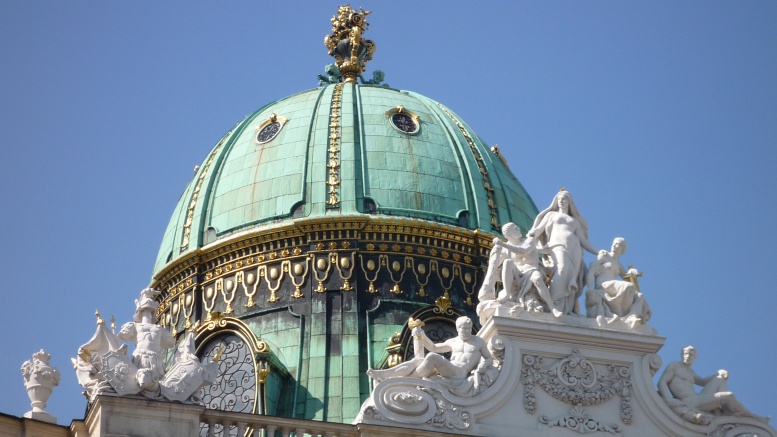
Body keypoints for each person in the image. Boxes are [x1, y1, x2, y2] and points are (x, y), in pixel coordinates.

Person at [527, 189, 598, 315]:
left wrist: (598, 252)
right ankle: (554, 303)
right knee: (562, 269)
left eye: (564, 199)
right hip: (557, 244)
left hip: (574, 248)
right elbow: (539, 229)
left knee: (572, 277)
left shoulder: (575, 221)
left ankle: (566, 307)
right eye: (559, 199)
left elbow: (582, 240)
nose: (561, 201)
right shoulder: (551, 215)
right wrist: (532, 235)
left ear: (569, 202)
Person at [657, 346, 769, 423]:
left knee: (720, 379)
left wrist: (719, 372)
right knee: (729, 396)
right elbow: (661, 382)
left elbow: (704, 382)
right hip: (689, 402)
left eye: (691, 354)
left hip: (698, 398)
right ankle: (752, 417)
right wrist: (668, 398)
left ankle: (725, 411)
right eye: (686, 353)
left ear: (694, 357)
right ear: (682, 355)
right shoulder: (675, 365)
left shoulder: (691, 372)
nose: (688, 356)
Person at [367, 316, 492, 382]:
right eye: (462, 328)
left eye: (468, 328)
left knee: (431, 357)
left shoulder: (478, 341)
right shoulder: (454, 341)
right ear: (457, 329)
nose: (465, 331)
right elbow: (433, 347)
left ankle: (407, 380)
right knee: (417, 361)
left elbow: (489, 359)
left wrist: (484, 365)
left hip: (459, 373)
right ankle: (384, 374)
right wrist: (422, 334)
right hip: (449, 368)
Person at [491, 223, 561, 317]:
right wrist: (496, 251)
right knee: (507, 262)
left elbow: (523, 251)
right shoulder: (505, 249)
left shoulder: (529, 240)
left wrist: (502, 244)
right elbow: (495, 264)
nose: (518, 228)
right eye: (515, 229)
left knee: (537, 279)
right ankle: (507, 293)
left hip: (532, 269)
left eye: (517, 226)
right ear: (509, 234)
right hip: (518, 274)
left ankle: (552, 307)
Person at [584, 237, 650, 327]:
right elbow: (591, 271)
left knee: (639, 296)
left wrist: (632, 272)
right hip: (603, 285)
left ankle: (632, 317)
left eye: (617, 244)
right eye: (614, 243)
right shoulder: (604, 256)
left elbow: (627, 277)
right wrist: (590, 287)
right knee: (629, 286)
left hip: (613, 287)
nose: (614, 245)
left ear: (622, 248)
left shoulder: (618, 265)